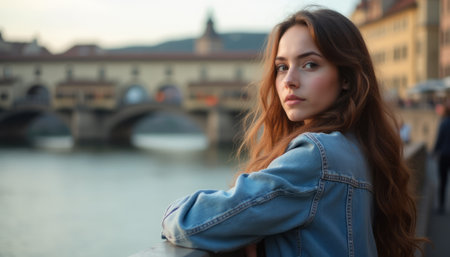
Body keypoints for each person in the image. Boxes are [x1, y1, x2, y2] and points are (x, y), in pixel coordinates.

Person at [161, 8, 424, 257]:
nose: (289, 80)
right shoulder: (360, 148)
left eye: (310, 64)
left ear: (346, 77)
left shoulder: (316, 156)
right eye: (282, 67)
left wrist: (171, 212)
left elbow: (191, 223)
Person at [434, 99, 450, 214]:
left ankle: (441, 206)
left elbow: (439, 139)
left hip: (444, 155)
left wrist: (434, 151)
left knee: (443, 182)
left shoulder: (444, 122)